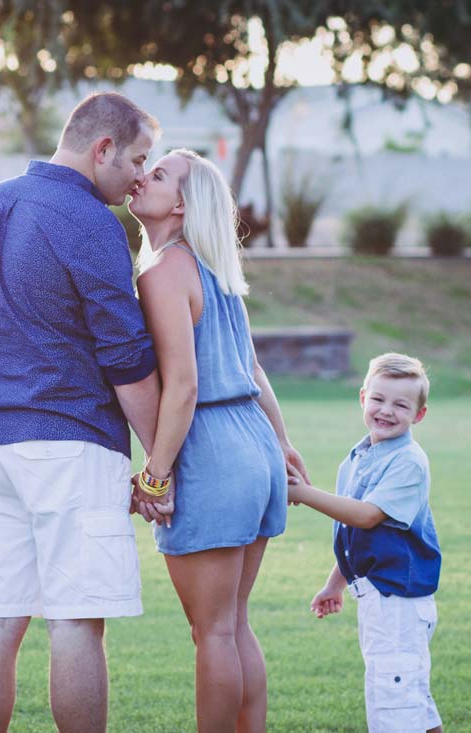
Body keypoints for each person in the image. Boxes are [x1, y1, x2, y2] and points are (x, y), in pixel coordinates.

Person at [0, 92, 162, 733]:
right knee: (75, 623)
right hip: (70, 448)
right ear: (102, 148)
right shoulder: (90, 220)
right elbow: (127, 358)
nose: (141, 175)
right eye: (137, 159)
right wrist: (167, 463)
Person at [127, 148, 309, 733]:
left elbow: (182, 387)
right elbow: (255, 373)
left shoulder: (164, 271)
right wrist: (280, 444)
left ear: (179, 204)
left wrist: (155, 475)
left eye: (156, 175)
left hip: (213, 450)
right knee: (232, 624)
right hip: (252, 445)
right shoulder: (215, 269)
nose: (141, 178)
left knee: (212, 632)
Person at [288, 352, 443, 733]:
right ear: (362, 398)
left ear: (418, 415)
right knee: (412, 702)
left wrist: (304, 493)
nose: (386, 411)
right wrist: (334, 583)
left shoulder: (408, 461)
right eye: (378, 399)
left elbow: (367, 516)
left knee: (393, 707)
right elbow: (355, 535)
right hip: (379, 597)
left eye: (401, 405)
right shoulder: (358, 458)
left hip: (399, 602)